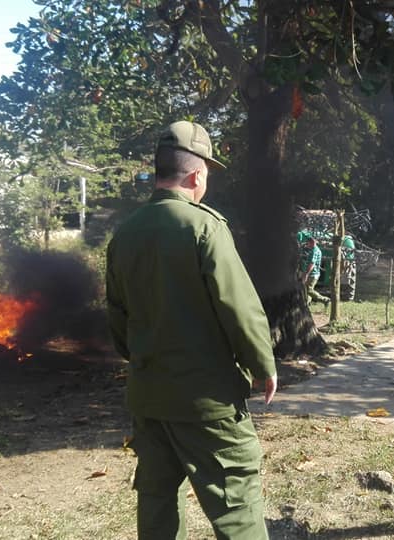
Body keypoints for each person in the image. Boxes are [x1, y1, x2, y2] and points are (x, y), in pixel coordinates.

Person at [106, 120, 278, 539]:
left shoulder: (124, 234)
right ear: (196, 174)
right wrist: (263, 365)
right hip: (207, 401)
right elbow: (239, 307)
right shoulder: (205, 227)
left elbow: (117, 317)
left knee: (157, 500)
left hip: (149, 396)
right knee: (235, 505)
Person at [298, 231, 330, 305]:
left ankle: (324, 299)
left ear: (311, 242)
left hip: (312, 274)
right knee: (307, 289)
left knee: (309, 290)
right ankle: (306, 303)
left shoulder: (314, 251)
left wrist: (306, 274)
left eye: (308, 243)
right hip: (314, 273)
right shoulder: (315, 250)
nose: (307, 244)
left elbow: (311, 264)